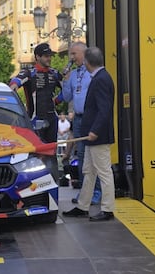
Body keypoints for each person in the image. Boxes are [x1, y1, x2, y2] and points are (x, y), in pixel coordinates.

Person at [62, 47, 116, 221]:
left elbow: (104, 110)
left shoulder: (101, 79)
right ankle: (83, 206)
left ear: (87, 62)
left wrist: (94, 131)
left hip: (98, 136)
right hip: (93, 135)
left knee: (104, 172)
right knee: (89, 171)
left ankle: (108, 209)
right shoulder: (100, 77)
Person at [56, 41, 97, 196]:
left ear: (84, 54)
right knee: (80, 155)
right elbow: (67, 97)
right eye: (70, 54)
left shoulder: (92, 72)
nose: (71, 58)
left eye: (74, 54)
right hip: (78, 119)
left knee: (93, 156)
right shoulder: (73, 74)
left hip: (90, 117)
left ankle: (95, 191)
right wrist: (66, 80)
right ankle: (84, 192)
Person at [9, 43, 62, 145]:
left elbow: (68, 88)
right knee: (37, 149)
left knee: (51, 149)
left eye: (50, 56)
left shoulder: (54, 73)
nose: (49, 59)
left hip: (52, 118)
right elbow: (15, 82)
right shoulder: (29, 73)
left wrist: (58, 100)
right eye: (46, 56)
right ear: (37, 57)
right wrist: (14, 85)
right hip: (35, 118)